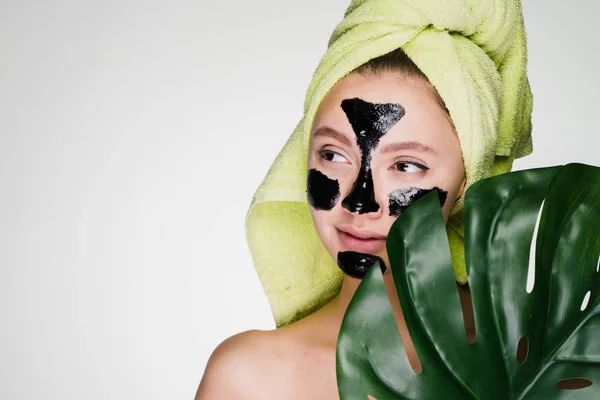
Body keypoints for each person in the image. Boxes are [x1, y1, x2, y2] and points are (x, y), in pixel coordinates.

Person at [196, 0, 532, 398]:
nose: (359, 202)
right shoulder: (248, 378)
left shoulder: (534, 359)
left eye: (406, 165)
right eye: (334, 155)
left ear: (465, 182)